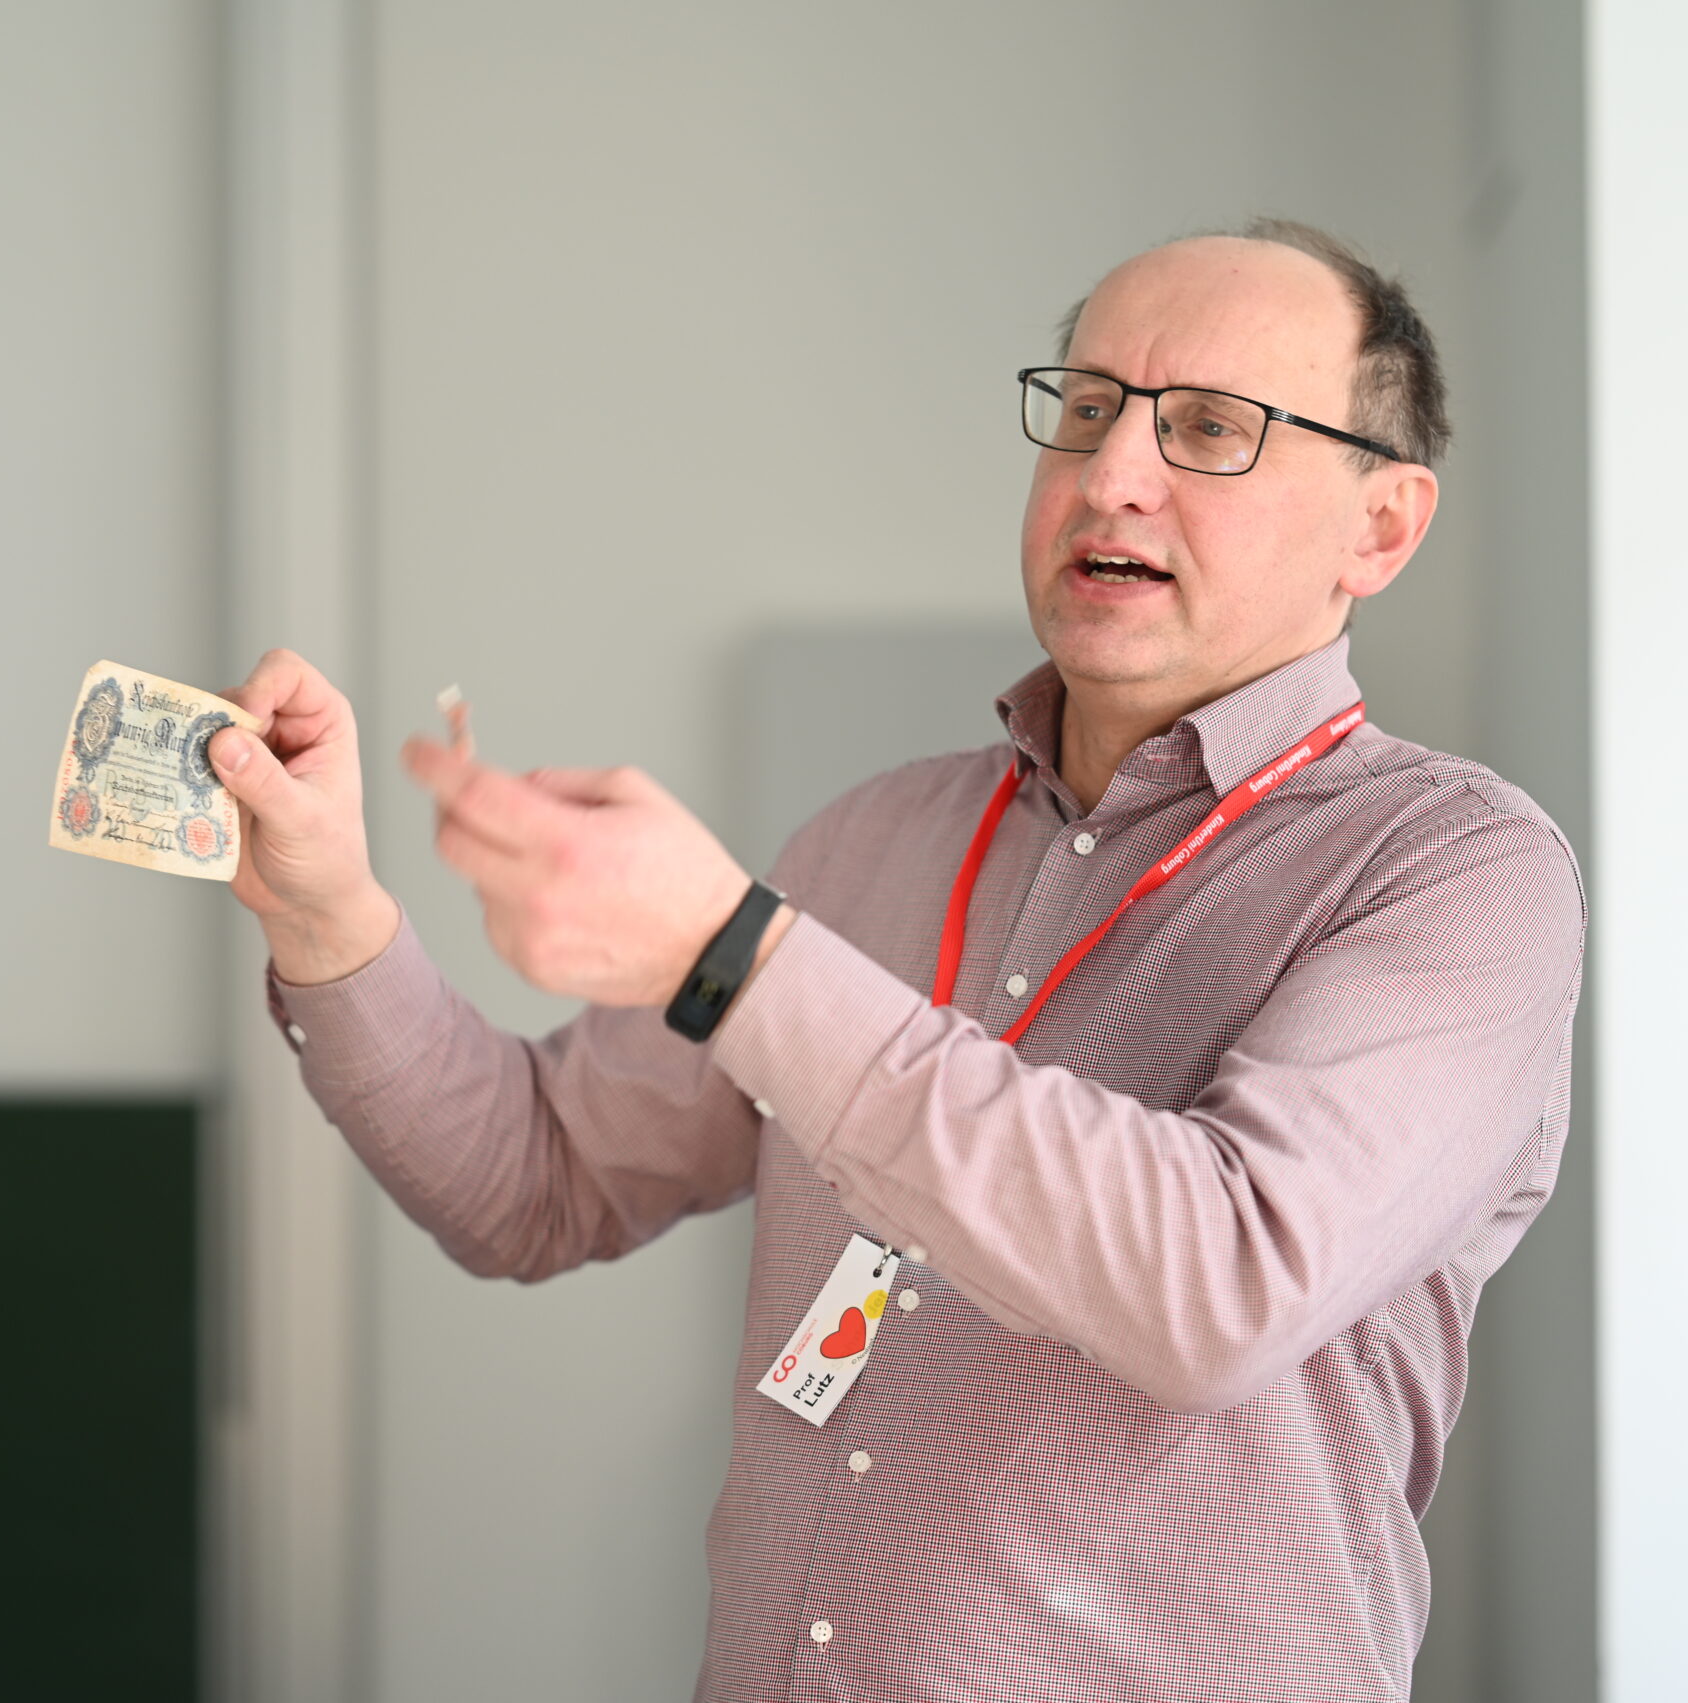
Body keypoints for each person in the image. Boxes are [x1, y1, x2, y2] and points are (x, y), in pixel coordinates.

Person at [204, 218, 1584, 1701]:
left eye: (1208, 431)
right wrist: (327, 909)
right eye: (1089, 409)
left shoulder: (1459, 874)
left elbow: (1220, 1286)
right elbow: (529, 1181)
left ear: (1382, 527)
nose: (1114, 475)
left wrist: (735, 957)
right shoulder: (879, 839)